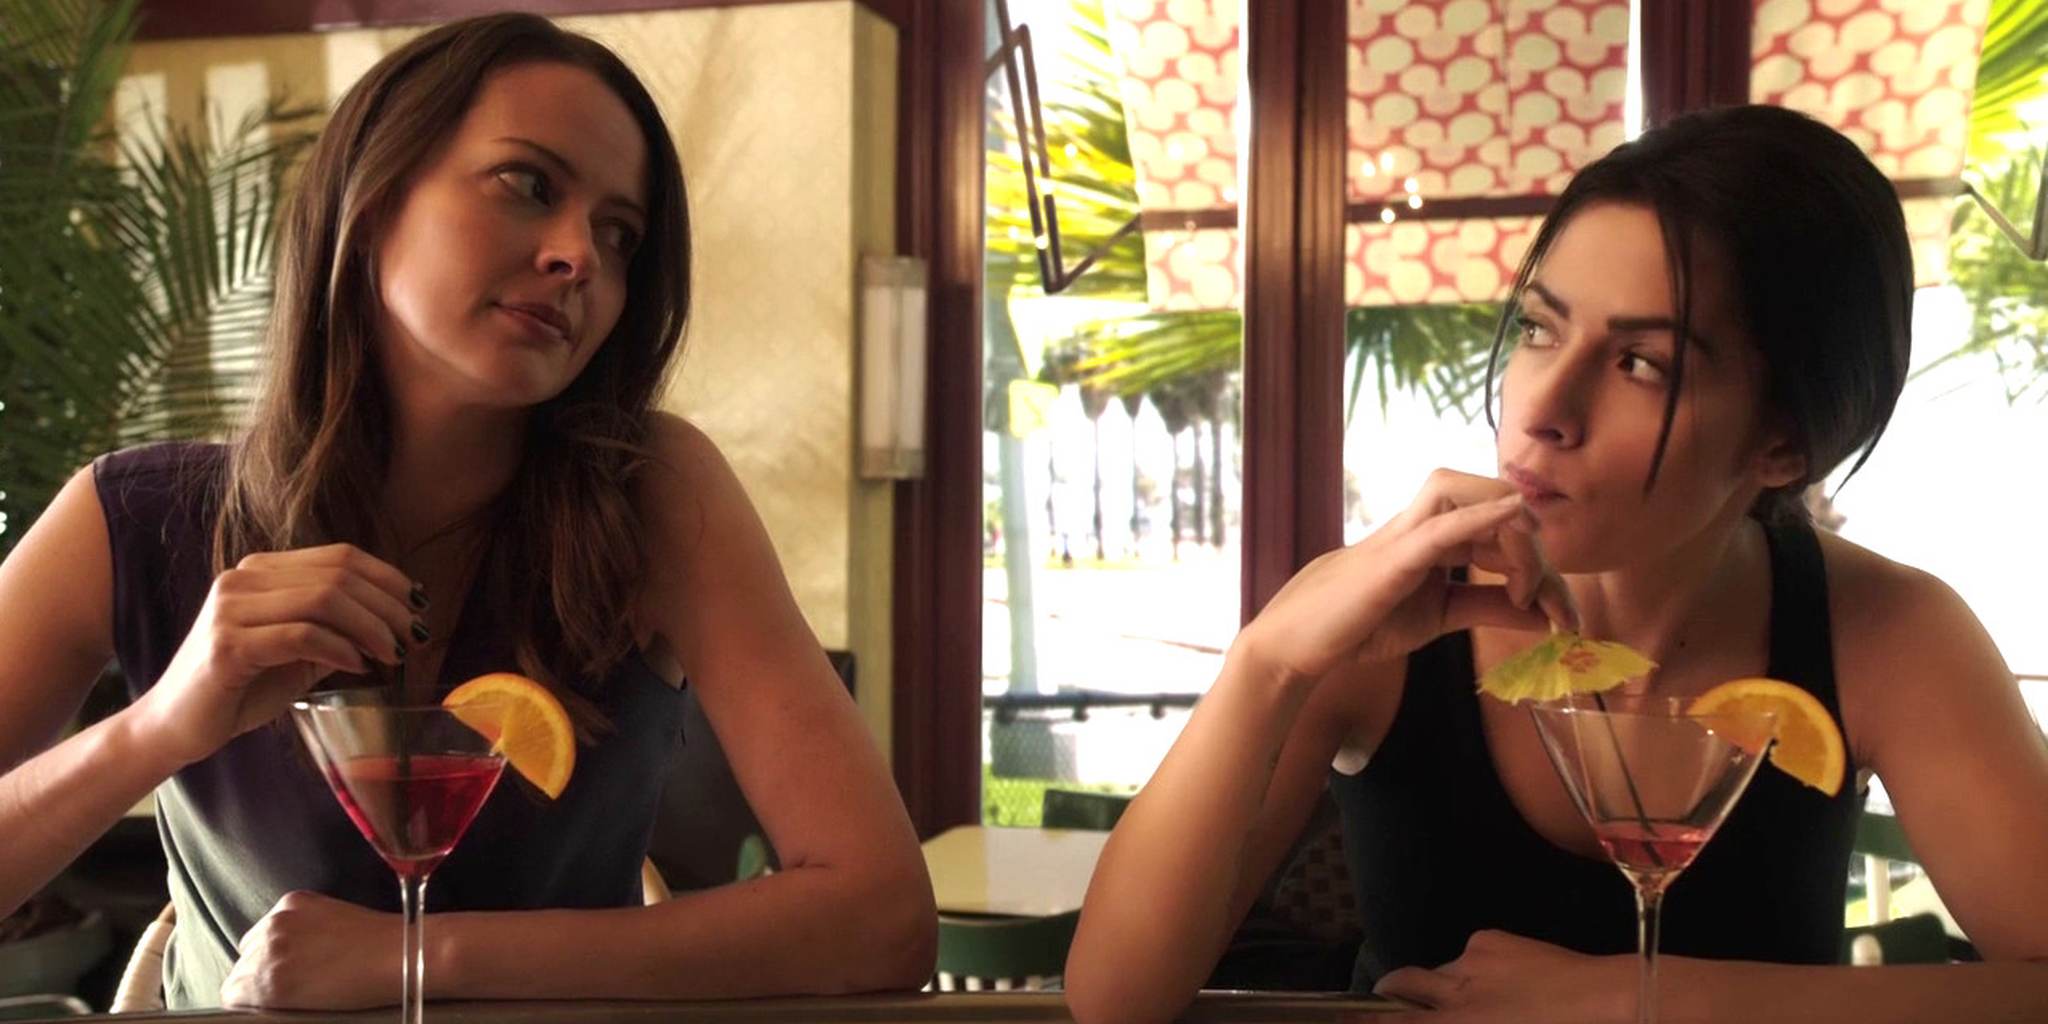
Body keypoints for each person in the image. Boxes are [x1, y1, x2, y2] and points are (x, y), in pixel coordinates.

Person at [0, 14, 935, 1010]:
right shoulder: (130, 518)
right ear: (374, 194)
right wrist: (158, 728)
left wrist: (412, 959)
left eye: (618, 234)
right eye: (527, 184)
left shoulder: (654, 495)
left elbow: (880, 915)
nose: (579, 255)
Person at [1065, 105, 2048, 1023]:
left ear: (1783, 443)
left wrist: (1644, 999)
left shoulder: (1885, 632)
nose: (1542, 408)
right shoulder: (1383, 616)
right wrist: (1267, 663)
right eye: (1539, 328)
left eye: (1640, 364)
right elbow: (1112, 998)